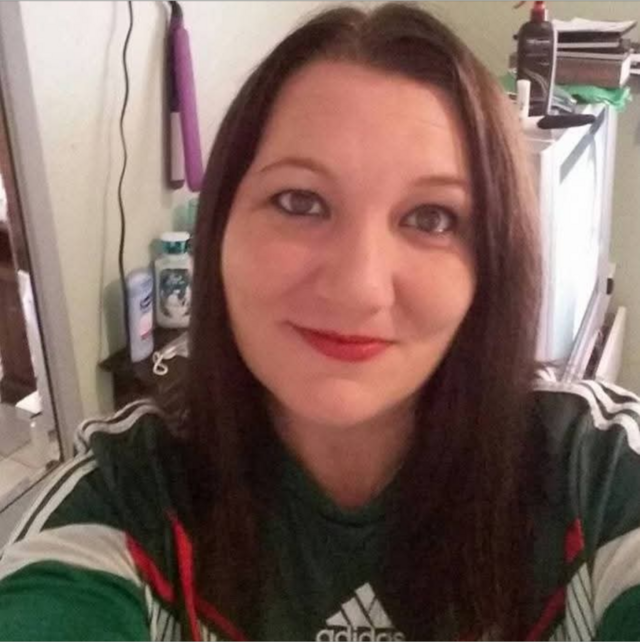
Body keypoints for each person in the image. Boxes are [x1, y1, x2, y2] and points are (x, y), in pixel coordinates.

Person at [0, 3, 639, 640]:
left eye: (432, 218)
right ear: (218, 233)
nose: (359, 288)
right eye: (299, 201)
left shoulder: (597, 479)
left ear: (494, 262)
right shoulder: (121, 504)